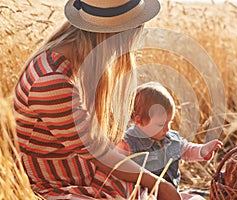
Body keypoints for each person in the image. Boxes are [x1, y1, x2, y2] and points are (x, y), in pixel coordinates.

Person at [13, 0, 181, 199]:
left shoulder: (71, 63)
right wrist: (161, 185)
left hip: (80, 172)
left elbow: (97, 148)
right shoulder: (52, 81)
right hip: (54, 185)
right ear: (117, 34)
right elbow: (99, 153)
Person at [116, 82, 223, 189]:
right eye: (161, 124)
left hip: (171, 193)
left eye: (170, 122)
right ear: (139, 121)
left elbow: (187, 150)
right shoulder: (127, 143)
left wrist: (203, 150)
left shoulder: (170, 138)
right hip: (145, 194)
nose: (167, 129)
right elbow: (117, 169)